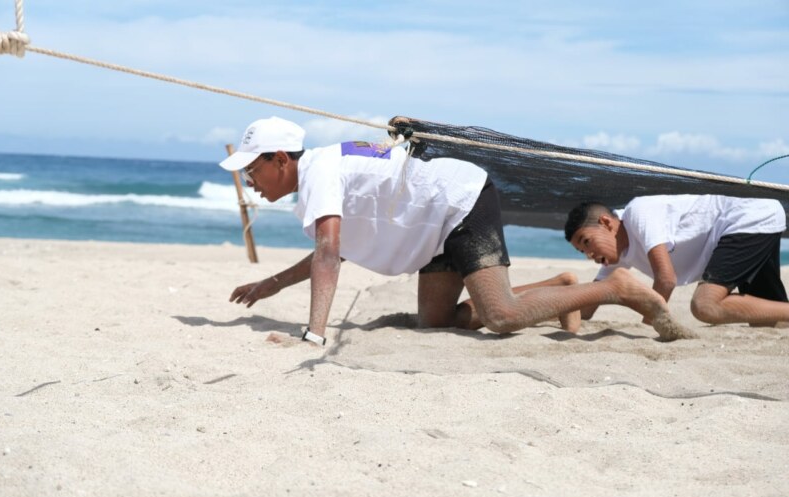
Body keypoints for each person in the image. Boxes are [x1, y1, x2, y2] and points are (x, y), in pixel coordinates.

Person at [221, 116, 692, 346]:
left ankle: (618, 289)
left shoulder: (321, 170)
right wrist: (271, 284)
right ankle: (560, 287)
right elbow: (336, 250)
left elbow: (327, 253)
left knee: (501, 316)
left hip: (459, 204)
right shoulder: (323, 171)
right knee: (437, 324)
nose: (249, 182)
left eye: (252, 169)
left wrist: (314, 335)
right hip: (431, 234)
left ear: (281, 159)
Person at [564, 195, 789, 327]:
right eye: (581, 250)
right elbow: (587, 308)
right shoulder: (616, 255)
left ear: (606, 223)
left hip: (745, 220)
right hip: (760, 219)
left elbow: (666, 279)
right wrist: (550, 311)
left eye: (586, 242)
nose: (588, 254)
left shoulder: (638, 213)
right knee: (771, 322)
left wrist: (647, 326)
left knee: (705, 305)